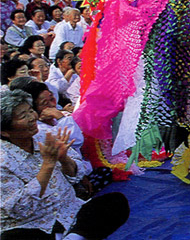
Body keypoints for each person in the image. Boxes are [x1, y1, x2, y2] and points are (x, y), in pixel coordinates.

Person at [0, 89, 130, 239]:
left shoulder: (44, 135)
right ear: (4, 132)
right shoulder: (3, 160)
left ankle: (74, 236)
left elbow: (77, 174)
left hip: (69, 211)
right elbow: (21, 208)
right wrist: (48, 165)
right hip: (32, 223)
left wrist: (64, 159)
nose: (32, 118)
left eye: (30, 111)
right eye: (23, 116)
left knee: (115, 202)